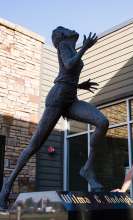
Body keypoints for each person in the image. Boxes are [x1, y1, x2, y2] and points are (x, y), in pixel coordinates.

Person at [0, 27, 109, 209]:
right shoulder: (64, 45)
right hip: (58, 98)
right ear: (62, 35)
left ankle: (87, 169)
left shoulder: (70, 47)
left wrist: (80, 84)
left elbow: (66, 73)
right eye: (66, 29)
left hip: (71, 98)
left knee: (102, 122)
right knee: (34, 145)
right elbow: (68, 65)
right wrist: (85, 48)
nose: (72, 29)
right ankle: (6, 186)